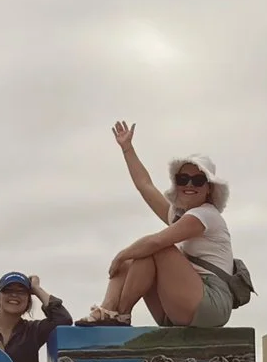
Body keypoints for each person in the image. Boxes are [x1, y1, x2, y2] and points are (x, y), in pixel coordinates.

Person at [84, 124, 240, 328]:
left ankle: (120, 315)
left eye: (198, 180)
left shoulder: (206, 215)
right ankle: (108, 310)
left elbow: (157, 241)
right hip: (181, 305)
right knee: (133, 259)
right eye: (183, 179)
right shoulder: (179, 218)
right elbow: (145, 186)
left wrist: (121, 254)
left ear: (209, 188)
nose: (189, 185)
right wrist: (127, 149)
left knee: (155, 248)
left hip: (211, 303)